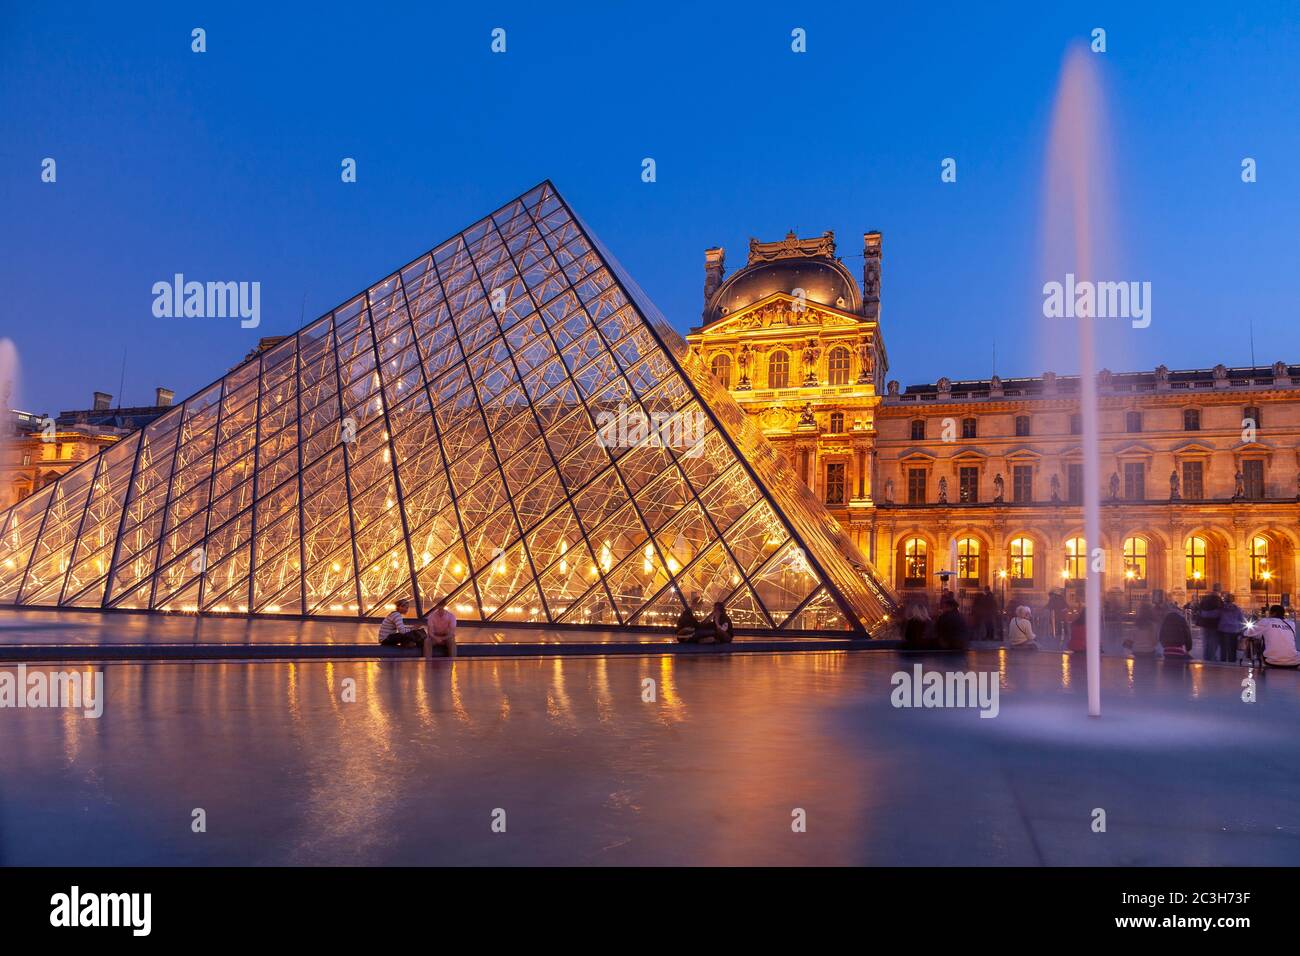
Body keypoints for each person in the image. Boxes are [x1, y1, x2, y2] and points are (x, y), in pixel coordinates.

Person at [1211, 592, 1245, 663]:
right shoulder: (1237, 609)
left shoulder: (1221, 608)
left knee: (1223, 648)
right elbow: (1241, 620)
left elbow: (1214, 616)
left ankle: (1223, 662)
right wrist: (1242, 631)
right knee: (1233, 648)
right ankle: (1232, 662)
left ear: (1225, 600)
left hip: (1223, 629)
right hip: (1234, 630)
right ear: (1233, 600)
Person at [1195, 585, 1223, 659]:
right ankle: (1212, 656)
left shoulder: (1205, 598)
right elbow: (1221, 611)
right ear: (1219, 590)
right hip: (1213, 623)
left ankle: (1205, 656)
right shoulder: (1218, 599)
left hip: (1204, 622)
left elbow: (1199, 608)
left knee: (1205, 641)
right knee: (1213, 641)